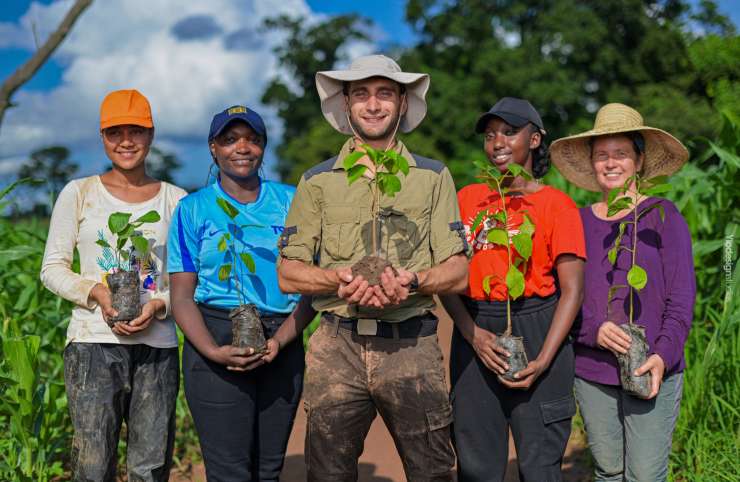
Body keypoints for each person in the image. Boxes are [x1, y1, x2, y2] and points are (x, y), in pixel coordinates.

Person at [276, 54, 469, 481]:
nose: (373, 104)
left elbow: (458, 270)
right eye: (360, 94)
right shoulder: (318, 181)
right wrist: (338, 280)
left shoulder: (432, 177)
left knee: (433, 471)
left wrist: (414, 280)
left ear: (402, 102)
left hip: (412, 346)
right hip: (336, 346)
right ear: (345, 104)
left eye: (385, 93)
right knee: (327, 472)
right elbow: (288, 272)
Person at [40, 89, 186, 481]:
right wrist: (97, 293)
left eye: (136, 131)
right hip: (92, 346)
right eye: (114, 132)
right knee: (91, 465)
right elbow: (52, 268)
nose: (126, 141)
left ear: (151, 135)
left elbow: (187, 282)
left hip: (156, 348)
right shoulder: (79, 192)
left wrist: (157, 305)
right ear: (102, 138)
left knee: (150, 465)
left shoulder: (176, 200)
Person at [439, 97, 586, 481]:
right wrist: (473, 335)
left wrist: (542, 360)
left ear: (534, 140)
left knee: (540, 466)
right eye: (490, 135)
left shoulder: (558, 205)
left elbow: (572, 291)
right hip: (477, 330)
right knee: (476, 464)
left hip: (539, 325)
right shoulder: (468, 200)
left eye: (509, 132)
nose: (497, 142)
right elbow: (448, 279)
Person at [168, 104, 315, 481]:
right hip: (214, 336)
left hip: (282, 339)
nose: (242, 147)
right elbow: (182, 296)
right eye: (230, 139)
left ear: (264, 147)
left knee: (269, 468)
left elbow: (311, 287)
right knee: (228, 471)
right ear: (213, 148)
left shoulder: (292, 201)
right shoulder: (192, 209)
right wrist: (214, 351)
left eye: (252, 139)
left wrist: (280, 342)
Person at [550, 103, 694, 482]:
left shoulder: (663, 215)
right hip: (593, 370)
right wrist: (592, 329)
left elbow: (681, 298)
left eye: (621, 154)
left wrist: (663, 355)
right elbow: (562, 294)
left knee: (645, 475)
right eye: (602, 155)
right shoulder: (577, 222)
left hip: (651, 368)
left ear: (639, 160)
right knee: (609, 470)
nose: (610, 163)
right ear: (592, 163)